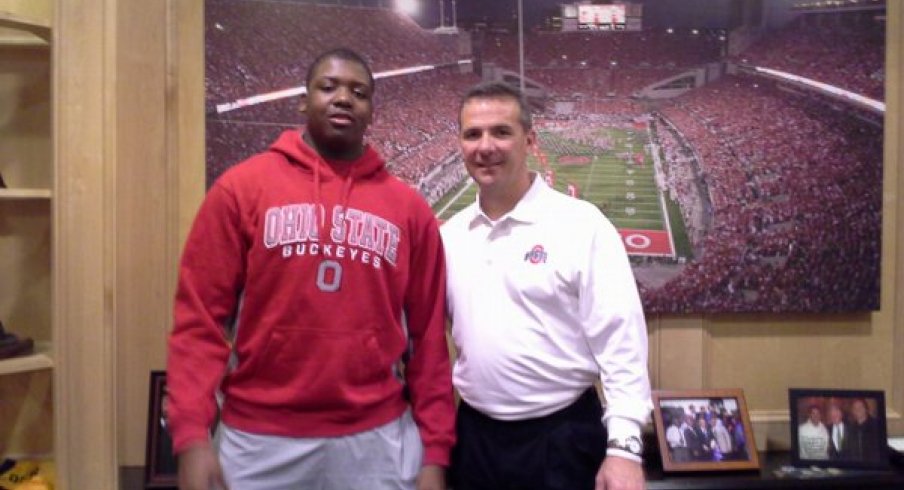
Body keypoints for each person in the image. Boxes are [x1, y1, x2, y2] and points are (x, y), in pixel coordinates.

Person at [166, 48, 455, 490]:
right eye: (329, 86)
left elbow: (428, 340)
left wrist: (435, 452)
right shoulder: (240, 189)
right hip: (258, 437)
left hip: (376, 436)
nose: (344, 98)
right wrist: (192, 438)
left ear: (372, 111)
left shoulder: (409, 210)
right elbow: (198, 322)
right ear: (303, 101)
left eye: (359, 92)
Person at [442, 80, 651, 490]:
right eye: (473, 134)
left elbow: (621, 343)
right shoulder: (450, 236)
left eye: (501, 131)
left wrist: (624, 450)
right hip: (474, 437)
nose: (486, 146)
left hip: (562, 437)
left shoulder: (582, 224)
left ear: (529, 139)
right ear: (461, 143)